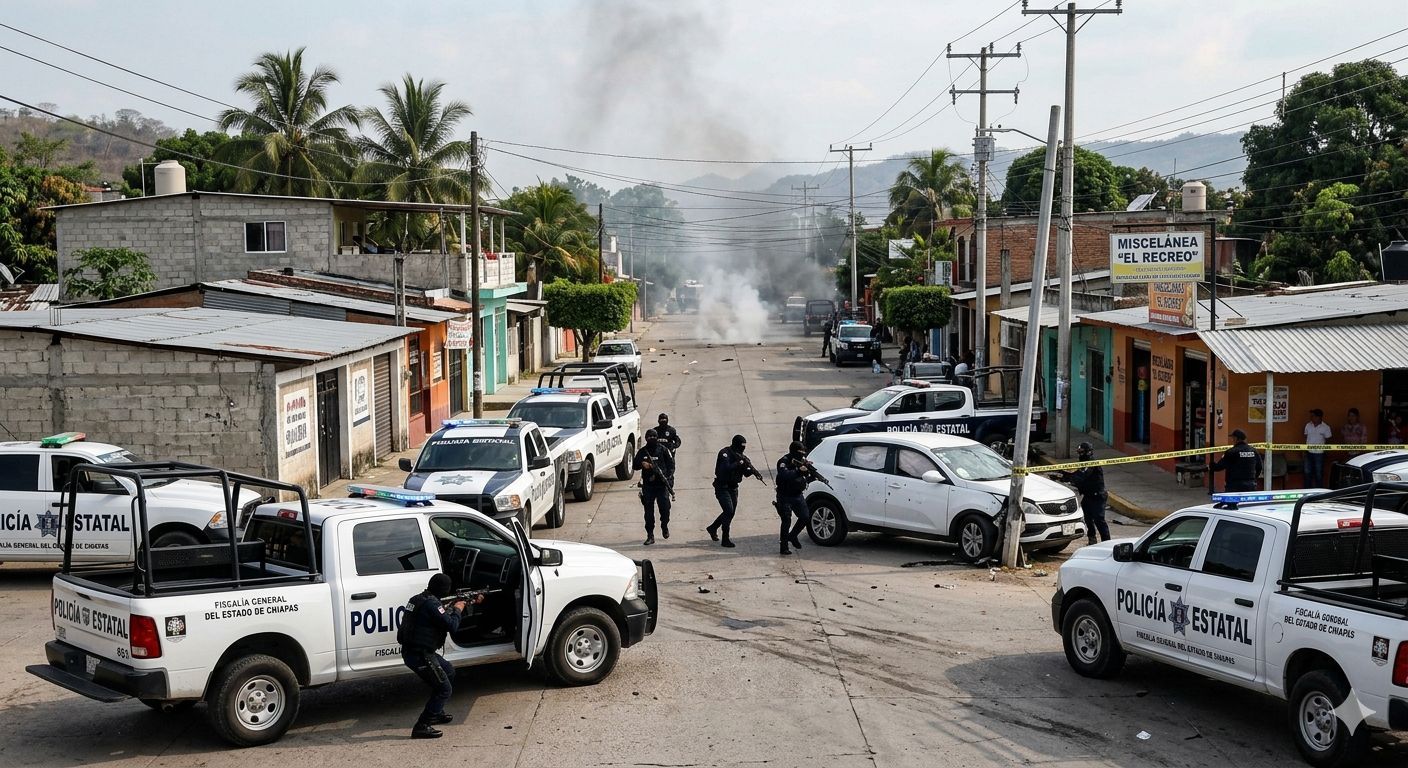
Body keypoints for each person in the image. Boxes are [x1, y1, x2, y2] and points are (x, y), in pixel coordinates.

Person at [399, 573, 481, 739]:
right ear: (444, 589)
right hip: (419, 655)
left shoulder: (418, 599)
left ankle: (436, 711)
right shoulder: (432, 604)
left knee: (448, 671)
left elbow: (437, 615)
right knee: (444, 689)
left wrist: (460, 603)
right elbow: (452, 625)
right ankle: (422, 726)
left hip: (416, 651)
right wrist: (458, 608)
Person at [707, 434, 760, 548]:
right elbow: (725, 468)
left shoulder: (741, 457)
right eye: (741, 446)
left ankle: (713, 528)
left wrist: (751, 470)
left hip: (733, 487)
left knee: (730, 512)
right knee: (728, 511)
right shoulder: (725, 453)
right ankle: (725, 539)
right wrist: (739, 462)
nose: (743, 449)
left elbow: (746, 473)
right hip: (722, 487)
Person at [1056, 442, 1110, 545]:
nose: (1080, 454)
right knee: (1088, 519)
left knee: (1099, 520)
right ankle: (1092, 540)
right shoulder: (1083, 463)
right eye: (1079, 452)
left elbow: (1081, 476)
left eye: (1082, 452)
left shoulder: (1091, 463)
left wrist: (1066, 477)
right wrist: (1062, 475)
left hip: (1098, 496)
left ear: (1088, 452)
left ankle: (1107, 543)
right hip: (1088, 496)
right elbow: (1076, 474)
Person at [775, 441, 819, 555]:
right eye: (800, 453)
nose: (802, 455)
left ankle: (793, 535)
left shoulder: (801, 461)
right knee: (786, 520)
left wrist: (811, 475)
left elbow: (804, 477)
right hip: (784, 495)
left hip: (797, 495)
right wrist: (799, 470)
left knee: (805, 517)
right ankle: (784, 546)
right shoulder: (784, 461)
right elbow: (784, 475)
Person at [633, 429, 675, 545]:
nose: (652, 438)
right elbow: (635, 466)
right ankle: (650, 535)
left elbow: (671, 466)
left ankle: (664, 526)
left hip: (661, 486)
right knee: (648, 513)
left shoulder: (663, 450)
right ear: (646, 438)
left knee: (665, 509)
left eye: (654, 436)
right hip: (648, 486)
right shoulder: (643, 452)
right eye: (649, 436)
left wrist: (668, 479)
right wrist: (642, 464)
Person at [1303, 408, 1333, 487]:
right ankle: (1307, 490)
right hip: (1308, 452)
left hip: (1319, 454)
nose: (1311, 418)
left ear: (1319, 417)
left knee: (1318, 473)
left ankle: (1319, 490)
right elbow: (1305, 437)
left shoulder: (1325, 427)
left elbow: (1328, 440)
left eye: (1313, 416)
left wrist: (1326, 451)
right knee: (1307, 472)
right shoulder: (1308, 425)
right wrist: (1304, 450)